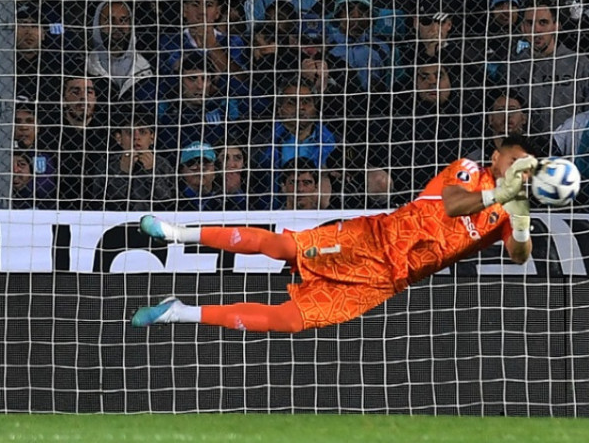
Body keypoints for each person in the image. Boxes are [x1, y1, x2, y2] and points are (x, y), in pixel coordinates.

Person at [130, 136, 541, 332]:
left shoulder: (508, 212)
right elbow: (453, 204)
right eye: (514, 159)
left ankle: (178, 311)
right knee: (281, 246)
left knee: (289, 320)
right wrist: (502, 193)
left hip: (385, 279)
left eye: (527, 165)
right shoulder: (469, 170)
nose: (518, 168)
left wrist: (518, 214)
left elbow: (519, 256)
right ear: (496, 156)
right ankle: (176, 231)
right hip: (372, 239)